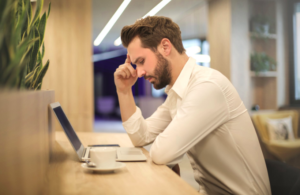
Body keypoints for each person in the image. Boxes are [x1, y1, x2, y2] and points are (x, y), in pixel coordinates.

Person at [114, 16, 271, 195]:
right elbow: (140, 137)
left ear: (165, 47)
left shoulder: (207, 86)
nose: (139, 72)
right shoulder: (178, 92)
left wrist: (169, 147)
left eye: (141, 61)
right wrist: (124, 91)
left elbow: (161, 153)